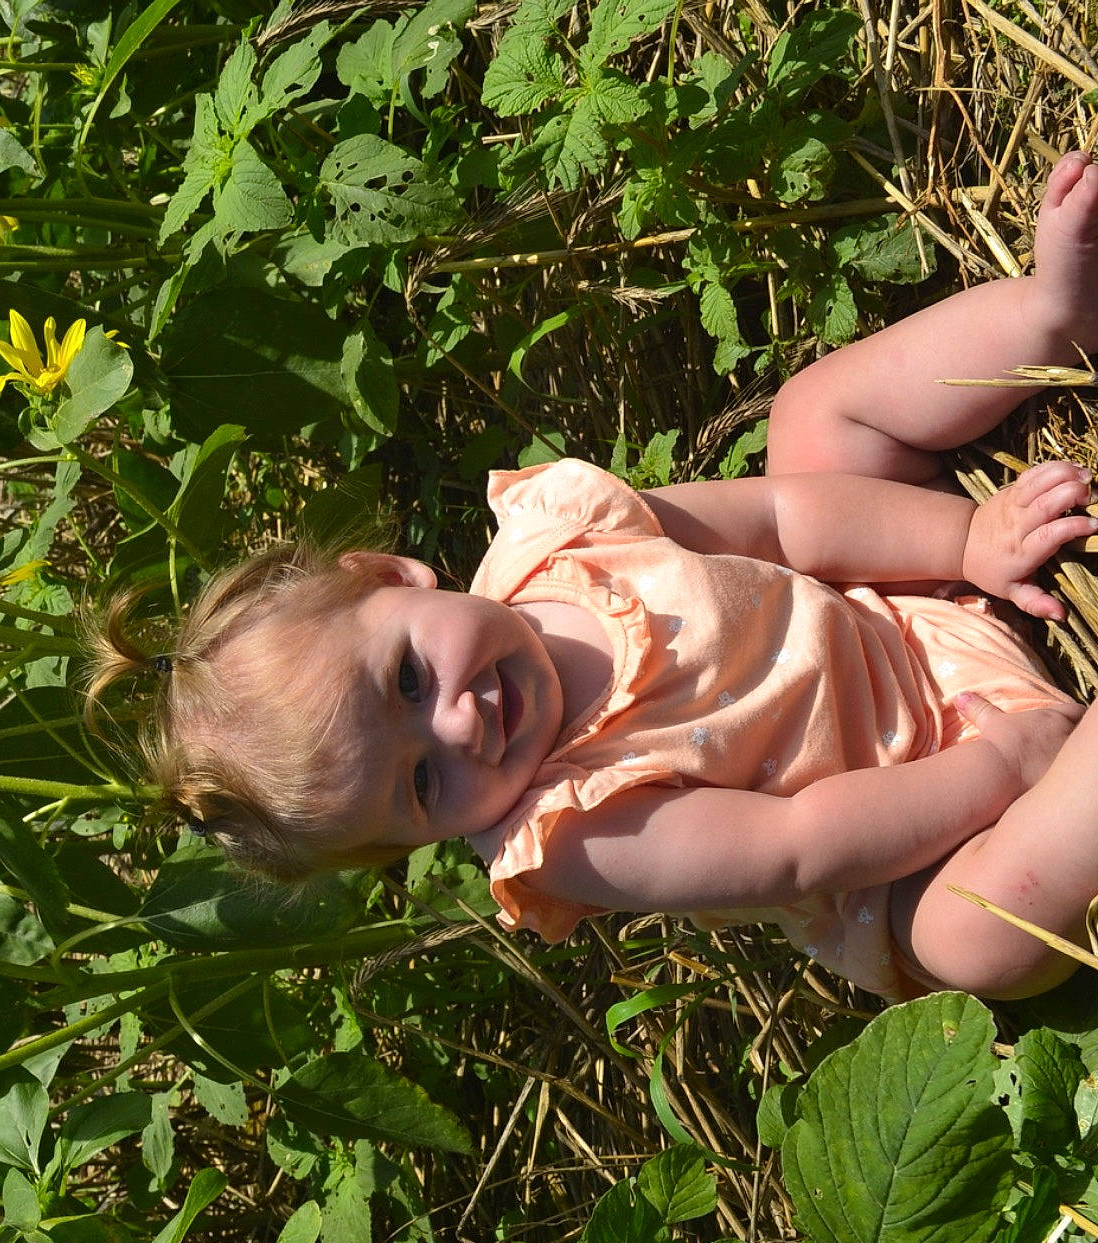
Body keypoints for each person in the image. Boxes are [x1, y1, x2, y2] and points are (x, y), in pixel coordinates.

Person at [87, 152, 1098, 1002]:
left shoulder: (553, 535)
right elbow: (803, 843)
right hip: (923, 800)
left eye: (402, 679)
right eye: (423, 782)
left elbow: (784, 521)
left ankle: (1049, 315)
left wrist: (961, 544)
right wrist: (998, 770)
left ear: (386, 573)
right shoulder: (563, 833)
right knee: (970, 940)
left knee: (809, 419)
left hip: (886, 606)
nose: (457, 723)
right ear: (411, 842)